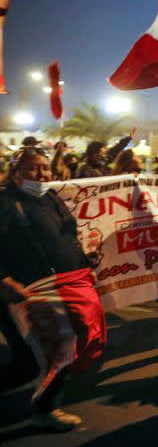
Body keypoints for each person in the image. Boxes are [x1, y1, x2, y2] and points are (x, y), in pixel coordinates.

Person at [0, 148, 99, 431]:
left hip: (60, 288)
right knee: (29, 363)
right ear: (15, 172)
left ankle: (45, 408)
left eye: (45, 168)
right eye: (33, 168)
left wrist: (83, 259)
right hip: (21, 293)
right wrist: (3, 280)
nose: (41, 174)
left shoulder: (51, 197)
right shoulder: (4, 201)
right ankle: (44, 410)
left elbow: (67, 234)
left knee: (64, 349)